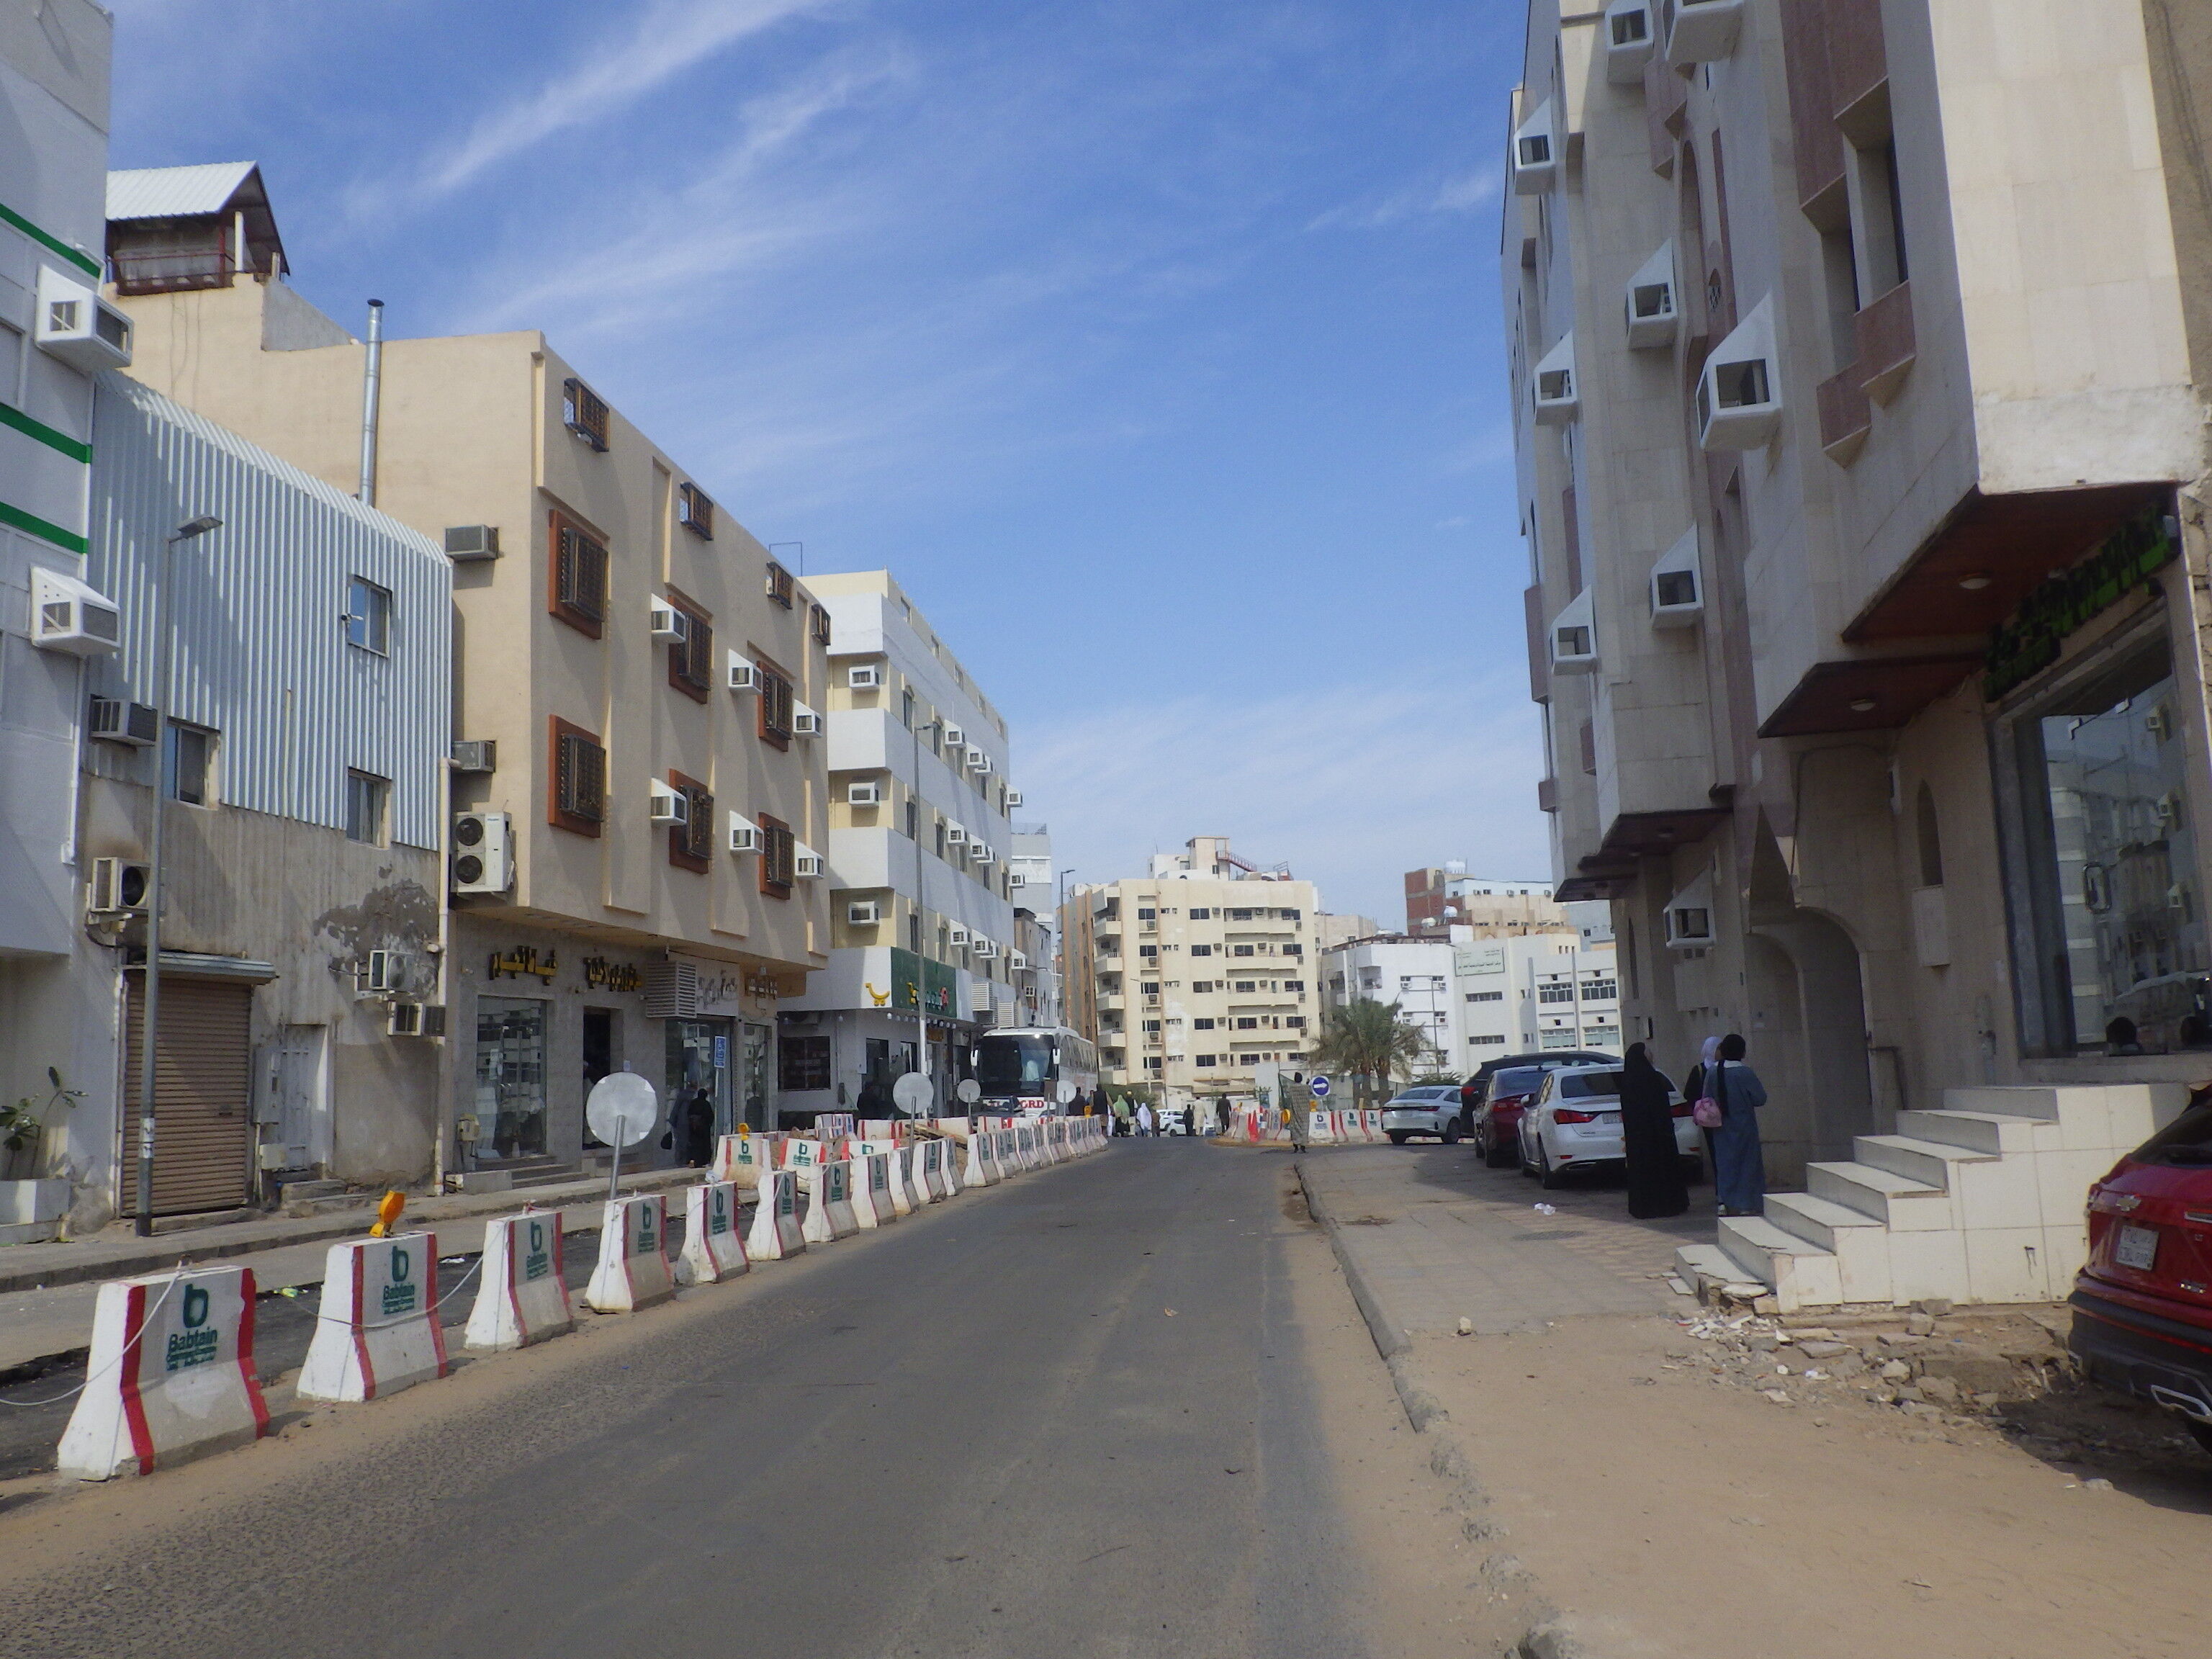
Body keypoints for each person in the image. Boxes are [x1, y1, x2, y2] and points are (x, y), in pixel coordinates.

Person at [1619, 1043, 1689, 1220]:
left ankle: (1643, 1207)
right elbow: (1660, 1107)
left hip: (1637, 1137)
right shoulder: (1653, 1078)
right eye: (1648, 1052)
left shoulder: (1627, 1081)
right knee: (1662, 1170)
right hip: (1658, 1135)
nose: (1651, 1055)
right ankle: (1667, 1205)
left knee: (1642, 1172)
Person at [1705, 1033, 1768, 1217]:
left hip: (1721, 1126)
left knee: (1725, 1164)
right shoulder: (1745, 1072)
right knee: (1748, 1165)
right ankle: (1747, 1204)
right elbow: (1760, 1098)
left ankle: (1724, 1202)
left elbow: (1707, 1098)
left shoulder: (1713, 1071)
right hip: (1745, 1126)